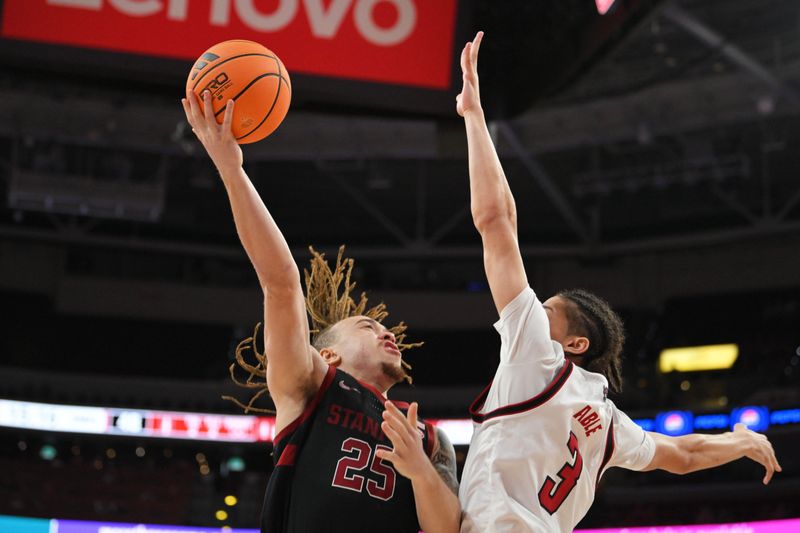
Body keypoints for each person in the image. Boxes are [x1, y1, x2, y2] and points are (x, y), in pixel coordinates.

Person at [455, 32, 782, 533]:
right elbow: (686, 455)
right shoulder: (607, 422)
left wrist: (474, 117)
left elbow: (496, 221)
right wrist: (739, 440)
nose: (528, 310)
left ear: (574, 343)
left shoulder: (538, 356)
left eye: (544, 311)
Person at [181, 90, 460, 533]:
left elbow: (446, 530)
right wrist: (231, 170)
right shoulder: (311, 386)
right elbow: (281, 282)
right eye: (368, 327)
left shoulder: (428, 436)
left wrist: (421, 470)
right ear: (328, 355)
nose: (386, 332)